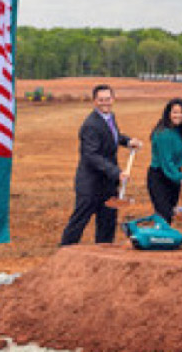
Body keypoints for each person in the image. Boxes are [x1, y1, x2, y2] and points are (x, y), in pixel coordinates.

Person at [60, 84, 143, 245]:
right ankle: (64, 253)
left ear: (113, 99)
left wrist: (128, 141)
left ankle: (103, 255)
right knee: (79, 221)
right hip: (91, 185)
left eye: (108, 99)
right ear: (94, 102)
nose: (105, 102)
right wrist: (116, 172)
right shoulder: (90, 125)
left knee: (107, 222)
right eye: (101, 100)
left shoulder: (109, 117)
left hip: (107, 184)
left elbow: (113, 136)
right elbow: (91, 155)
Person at [147, 98, 182, 224]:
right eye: (174, 112)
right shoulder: (163, 134)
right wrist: (181, 179)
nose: (178, 116)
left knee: (169, 214)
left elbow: (176, 142)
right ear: (168, 114)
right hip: (160, 177)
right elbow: (167, 162)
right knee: (163, 213)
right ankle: (159, 240)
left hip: (173, 175)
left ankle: (164, 240)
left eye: (181, 113)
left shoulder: (178, 131)